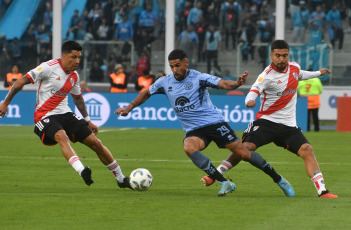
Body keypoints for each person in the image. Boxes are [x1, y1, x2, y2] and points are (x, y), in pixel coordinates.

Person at [115, 49, 294, 197]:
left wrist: (236, 84)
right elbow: (146, 93)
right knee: (189, 147)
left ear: (186, 63)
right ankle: (224, 182)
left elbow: (222, 83)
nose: (175, 70)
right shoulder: (164, 82)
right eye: (172, 67)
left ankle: (279, 179)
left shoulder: (198, 77)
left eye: (178, 65)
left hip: (214, 123)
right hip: (193, 129)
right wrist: (129, 107)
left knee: (244, 153)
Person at [202, 40, 337, 198]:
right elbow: (253, 90)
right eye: (278, 55)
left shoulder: (294, 67)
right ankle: (215, 175)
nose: (281, 59)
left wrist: (318, 73)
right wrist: (249, 101)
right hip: (266, 122)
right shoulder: (266, 76)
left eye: (284, 55)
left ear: (288, 55)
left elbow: (301, 74)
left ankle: (322, 191)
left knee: (307, 150)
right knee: (245, 147)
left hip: (288, 126)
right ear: (271, 55)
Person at [0, 40, 132, 189]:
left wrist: (87, 120)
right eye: (73, 57)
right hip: (44, 115)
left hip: (66, 114)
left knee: (96, 143)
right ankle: (82, 171)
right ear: (64, 56)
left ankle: (121, 179)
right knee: (63, 137)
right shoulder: (48, 68)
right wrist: (5, 103)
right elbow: (19, 82)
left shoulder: (74, 76)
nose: (77, 61)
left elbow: (78, 98)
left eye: (79, 58)